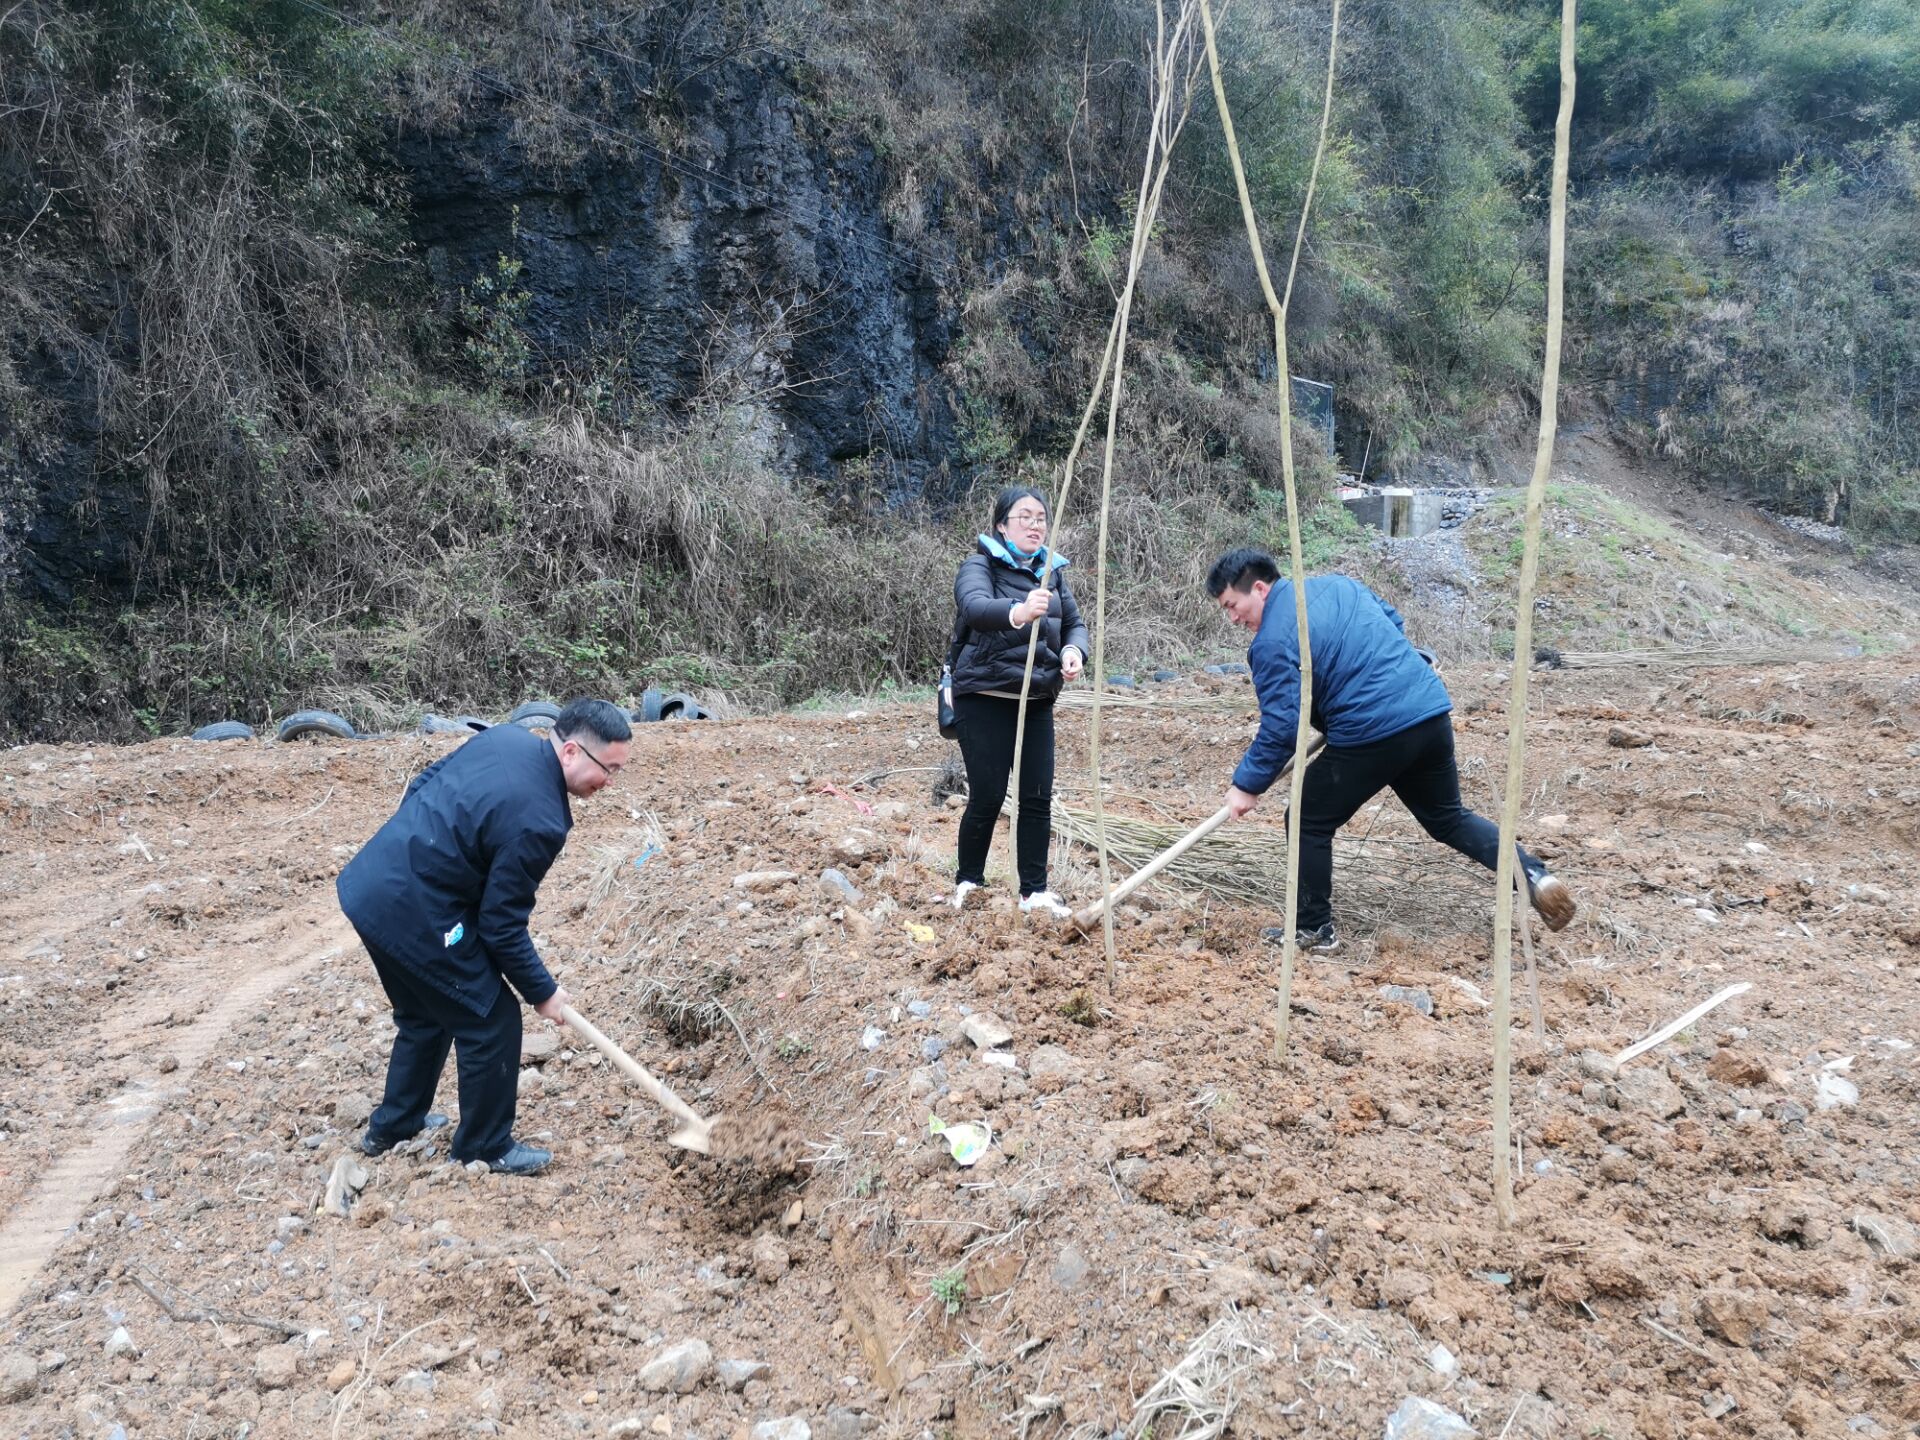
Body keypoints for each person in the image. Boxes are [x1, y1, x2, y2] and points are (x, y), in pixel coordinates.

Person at [1207, 548, 1575, 952]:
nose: (1234, 618)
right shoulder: (1339, 586)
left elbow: (1281, 725)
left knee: (1307, 818)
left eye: (1233, 605)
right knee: (1448, 817)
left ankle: (1312, 929)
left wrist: (1247, 785)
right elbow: (1392, 622)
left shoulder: (1272, 641)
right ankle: (1536, 877)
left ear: (1259, 588)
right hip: (1428, 712)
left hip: (1373, 733)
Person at [335, 697, 632, 1173]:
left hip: (371, 887)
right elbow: (501, 925)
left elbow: (422, 786)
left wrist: (428, 858)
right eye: (609, 769)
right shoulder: (542, 819)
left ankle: (393, 1127)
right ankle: (484, 1147)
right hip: (414, 911)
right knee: (492, 1018)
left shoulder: (504, 737)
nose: (610, 783)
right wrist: (544, 993)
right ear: (573, 751)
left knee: (425, 1013)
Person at [947, 485, 1092, 917]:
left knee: (1035, 797)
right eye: (1024, 517)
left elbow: (1075, 625)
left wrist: (1073, 652)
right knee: (989, 796)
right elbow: (974, 608)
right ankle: (969, 883)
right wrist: (1019, 611)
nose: (1034, 525)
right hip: (985, 695)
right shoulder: (978, 566)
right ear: (1001, 526)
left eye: (1041, 518)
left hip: (1036, 699)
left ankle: (1034, 892)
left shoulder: (1052, 574)